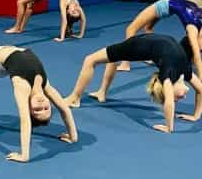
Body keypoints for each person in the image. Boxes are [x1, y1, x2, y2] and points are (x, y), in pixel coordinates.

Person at [64, 34, 202, 133]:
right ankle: (75, 98)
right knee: (90, 60)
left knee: (111, 57)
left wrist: (196, 115)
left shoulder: (179, 72)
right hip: (137, 45)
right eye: (177, 98)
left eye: (177, 98)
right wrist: (169, 127)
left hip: (147, 43)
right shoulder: (173, 71)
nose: (181, 98)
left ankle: (101, 93)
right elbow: (170, 101)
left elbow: (198, 90)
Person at [117, 0, 202, 76]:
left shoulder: (193, 30)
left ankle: (125, 64)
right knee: (148, 28)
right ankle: (149, 56)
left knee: (130, 29)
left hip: (165, 6)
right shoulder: (193, 29)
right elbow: (197, 55)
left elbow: (197, 55)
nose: (199, 48)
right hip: (168, 5)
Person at [5, 0, 86, 42]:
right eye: (76, 12)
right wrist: (80, 35)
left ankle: (16, 28)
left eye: (73, 12)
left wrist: (61, 38)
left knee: (20, 2)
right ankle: (21, 28)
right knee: (30, 4)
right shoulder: (78, 6)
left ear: (68, 11)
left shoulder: (63, 2)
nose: (75, 10)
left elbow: (64, 20)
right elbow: (83, 20)